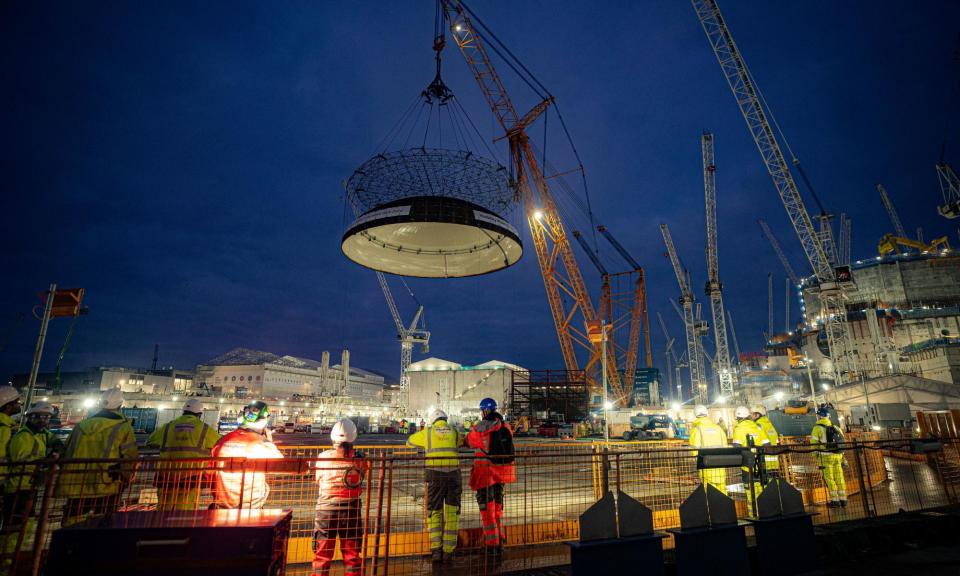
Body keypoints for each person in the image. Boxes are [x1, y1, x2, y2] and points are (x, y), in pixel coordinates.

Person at [57, 389, 138, 525]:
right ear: (120, 405)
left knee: (73, 520)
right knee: (104, 521)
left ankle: (70, 543)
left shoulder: (81, 425)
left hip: (77, 483)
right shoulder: (123, 427)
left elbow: (66, 452)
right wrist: (127, 478)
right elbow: (130, 457)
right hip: (106, 484)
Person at [1, 402, 62, 567]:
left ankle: (15, 558)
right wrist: (44, 463)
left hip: (30, 488)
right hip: (18, 489)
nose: (44, 421)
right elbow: (22, 465)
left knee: (26, 525)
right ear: (31, 418)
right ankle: (6, 563)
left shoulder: (41, 434)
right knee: (14, 529)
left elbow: (54, 440)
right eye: (41, 417)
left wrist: (56, 448)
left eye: (47, 417)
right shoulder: (23, 437)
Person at [312, 419, 368, 576]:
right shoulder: (360, 459)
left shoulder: (323, 457)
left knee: (322, 554)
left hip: (326, 509)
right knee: (352, 556)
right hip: (351, 508)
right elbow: (363, 474)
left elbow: (317, 479)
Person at [407, 409, 463, 563]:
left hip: (435, 475)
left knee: (434, 512)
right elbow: (462, 442)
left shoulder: (428, 432)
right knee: (452, 513)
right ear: (445, 418)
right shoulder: (454, 430)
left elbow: (409, 442)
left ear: (433, 420)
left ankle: (436, 551)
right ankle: (449, 552)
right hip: (454, 475)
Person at [146, 398, 221, 510]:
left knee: (163, 509)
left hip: (167, 475)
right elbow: (220, 443)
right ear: (200, 414)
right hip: (190, 476)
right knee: (186, 510)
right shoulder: (204, 429)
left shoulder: (168, 426)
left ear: (183, 411)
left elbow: (150, 441)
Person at [210, 401, 283, 509]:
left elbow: (210, 471)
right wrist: (269, 441)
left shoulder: (222, 441)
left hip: (222, 504)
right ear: (264, 421)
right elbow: (281, 464)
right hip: (250, 506)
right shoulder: (260, 443)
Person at [467, 398, 515, 554]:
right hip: (501, 473)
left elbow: (469, 441)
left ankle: (492, 544)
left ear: (484, 411)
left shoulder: (481, 428)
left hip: (485, 475)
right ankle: (500, 539)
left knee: (487, 510)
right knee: (498, 508)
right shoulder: (505, 426)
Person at [731, 405, 769, 517]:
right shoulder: (757, 427)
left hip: (747, 466)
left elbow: (736, 448)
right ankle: (765, 513)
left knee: (750, 492)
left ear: (738, 418)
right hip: (761, 464)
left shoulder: (739, 429)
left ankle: (754, 515)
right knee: (762, 489)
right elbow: (767, 444)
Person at [811, 406, 847, 507]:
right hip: (838, 455)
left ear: (819, 416)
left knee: (829, 478)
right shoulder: (836, 427)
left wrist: (815, 456)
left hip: (825, 457)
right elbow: (842, 441)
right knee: (839, 477)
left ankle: (835, 501)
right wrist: (842, 455)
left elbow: (814, 444)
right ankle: (843, 500)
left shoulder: (817, 428)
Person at [688, 404, 728, 494]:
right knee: (723, 492)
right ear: (707, 413)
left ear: (695, 415)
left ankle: (711, 508)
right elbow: (725, 447)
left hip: (706, 466)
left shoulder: (697, 429)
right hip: (720, 466)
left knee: (709, 493)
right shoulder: (718, 428)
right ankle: (724, 508)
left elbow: (694, 450)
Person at [751, 405, 781, 479]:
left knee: (763, 485)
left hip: (763, 461)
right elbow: (776, 441)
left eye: (752, 414)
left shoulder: (758, 425)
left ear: (757, 415)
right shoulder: (769, 424)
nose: (751, 416)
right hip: (774, 462)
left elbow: (757, 441)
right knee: (774, 484)